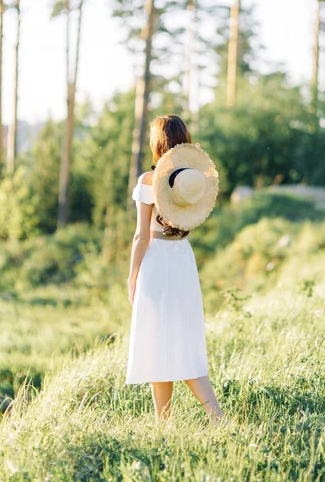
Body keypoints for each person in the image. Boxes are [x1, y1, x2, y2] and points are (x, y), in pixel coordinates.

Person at [125, 114, 226, 426]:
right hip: (182, 258)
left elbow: (142, 236)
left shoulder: (148, 181)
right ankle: (169, 424)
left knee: (157, 340)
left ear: (157, 143)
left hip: (156, 260)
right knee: (182, 340)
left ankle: (210, 419)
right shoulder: (194, 180)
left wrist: (132, 276)